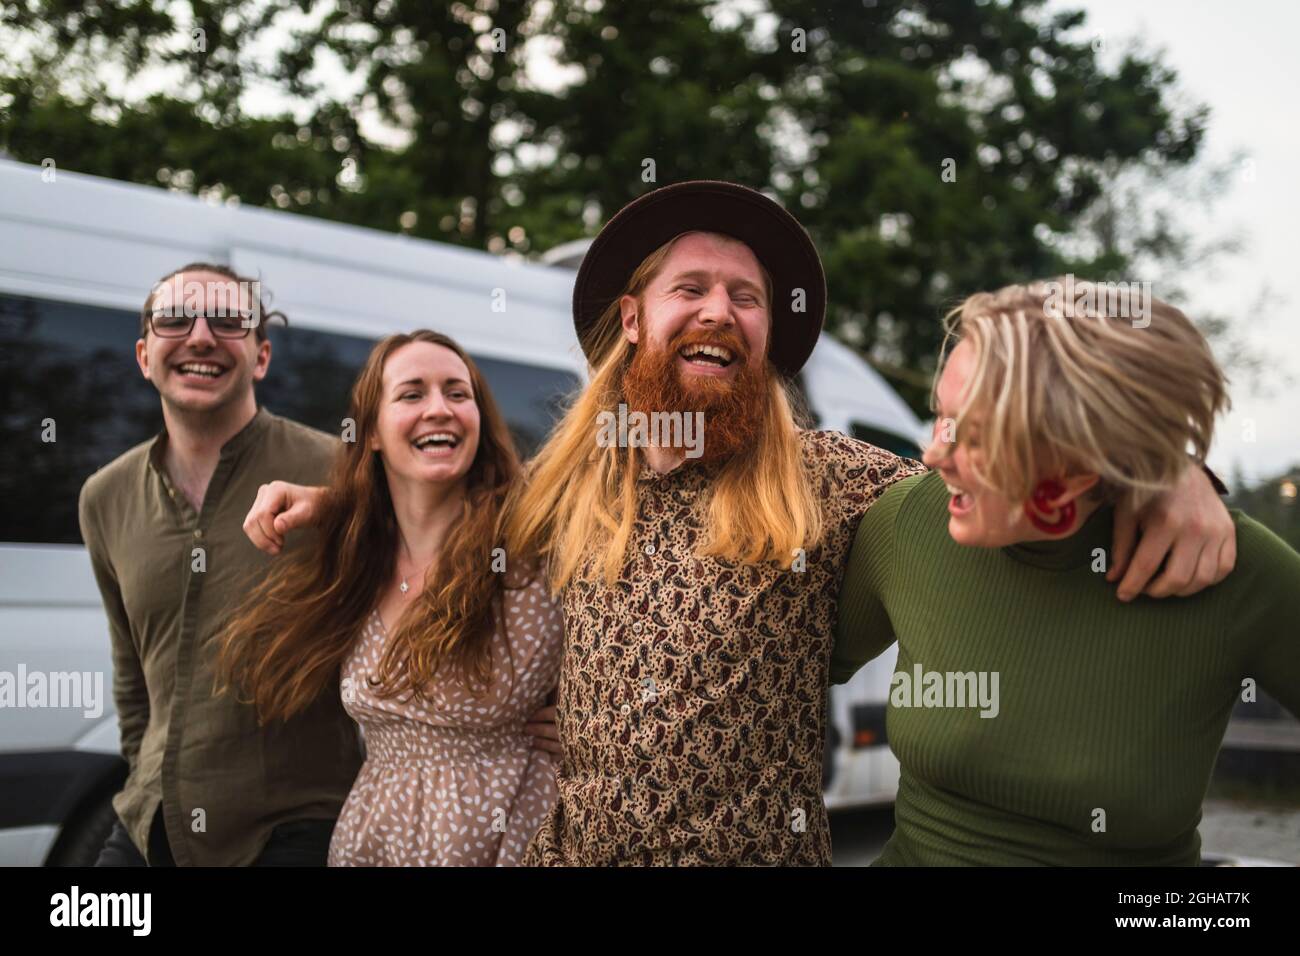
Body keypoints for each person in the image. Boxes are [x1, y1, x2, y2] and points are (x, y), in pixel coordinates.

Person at [244, 181, 1236, 865]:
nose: (719, 311)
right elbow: (457, 503)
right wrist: (341, 496)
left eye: (746, 297)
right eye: (691, 289)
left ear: (766, 333)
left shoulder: (835, 478)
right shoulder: (567, 480)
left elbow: (1006, 470)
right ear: (633, 320)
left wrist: (1167, 469)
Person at [832, 281, 1299, 865]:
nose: (933, 454)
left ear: (1079, 463)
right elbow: (779, 680)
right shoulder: (910, 521)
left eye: (974, 436)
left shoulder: (1224, 567)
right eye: (941, 417)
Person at [219, 330, 563, 865]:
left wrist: (596, 719)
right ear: (372, 433)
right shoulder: (357, 554)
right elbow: (377, 507)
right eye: (411, 394)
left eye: (457, 392)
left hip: (504, 842)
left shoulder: (530, 544)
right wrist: (329, 504)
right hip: (375, 841)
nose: (439, 409)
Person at [79, 263, 363, 866]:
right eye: (175, 320)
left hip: (294, 825)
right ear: (143, 354)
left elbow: (460, 553)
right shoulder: (103, 497)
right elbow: (132, 676)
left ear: (261, 357)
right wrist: (143, 773)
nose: (201, 336)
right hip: (150, 822)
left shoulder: (341, 473)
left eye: (228, 321)